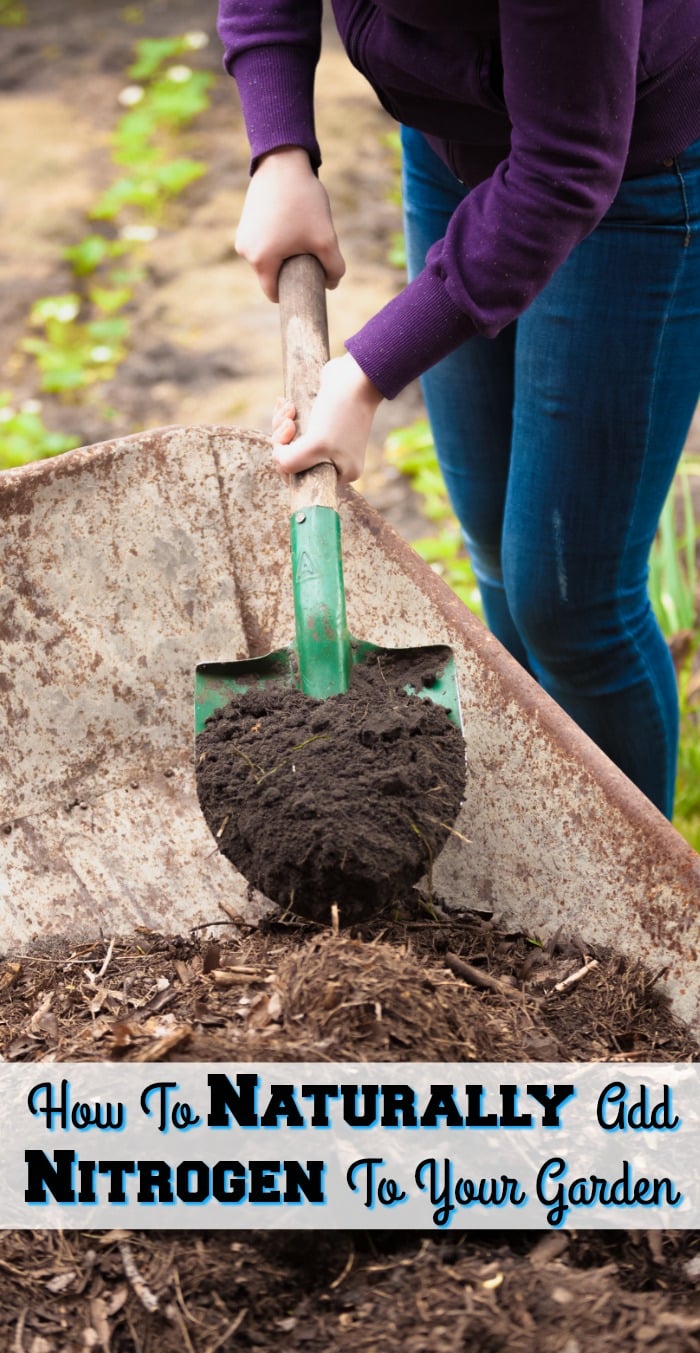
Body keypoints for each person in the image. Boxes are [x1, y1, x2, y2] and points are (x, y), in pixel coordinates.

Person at [216, 0, 700, 819]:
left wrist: (368, 373)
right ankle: (548, 833)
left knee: (572, 597)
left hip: (631, 166)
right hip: (454, 144)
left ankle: (642, 907)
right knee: (497, 547)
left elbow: (566, 166)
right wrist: (280, 148)